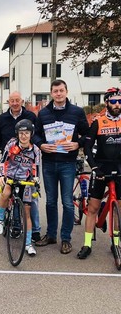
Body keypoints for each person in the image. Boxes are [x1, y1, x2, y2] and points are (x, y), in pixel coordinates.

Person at [34, 79, 89, 254]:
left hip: (67, 163)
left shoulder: (77, 112)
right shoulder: (43, 114)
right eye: (55, 91)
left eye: (61, 90)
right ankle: (51, 235)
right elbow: (35, 135)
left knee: (67, 202)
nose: (58, 94)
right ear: (51, 93)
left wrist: (77, 144)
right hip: (49, 163)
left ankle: (66, 238)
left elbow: (87, 134)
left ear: (66, 91)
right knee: (50, 201)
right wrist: (41, 145)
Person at [77, 87, 121, 259]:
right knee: (93, 208)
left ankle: (116, 243)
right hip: (101, 168)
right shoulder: (98, 121)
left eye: (119, 101)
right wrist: (94, 167)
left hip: (119, 168)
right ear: (107, 102)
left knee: (118, 207)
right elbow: (87, 146)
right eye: (113, 101)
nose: (117, 104)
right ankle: (87, 244)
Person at [0, 91, 41, 242]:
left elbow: (36, 166)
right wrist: (2, 175)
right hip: (11, 168)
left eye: (17, 100)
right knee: (7, 192)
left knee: (28, 207)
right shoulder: (3, 119)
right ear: (9, 102)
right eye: (12, 100)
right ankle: (2, 218)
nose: (14, 103)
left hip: (26, 177)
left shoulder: (35, 148)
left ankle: (31, 238)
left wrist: (36, 179)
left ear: (22, 101)